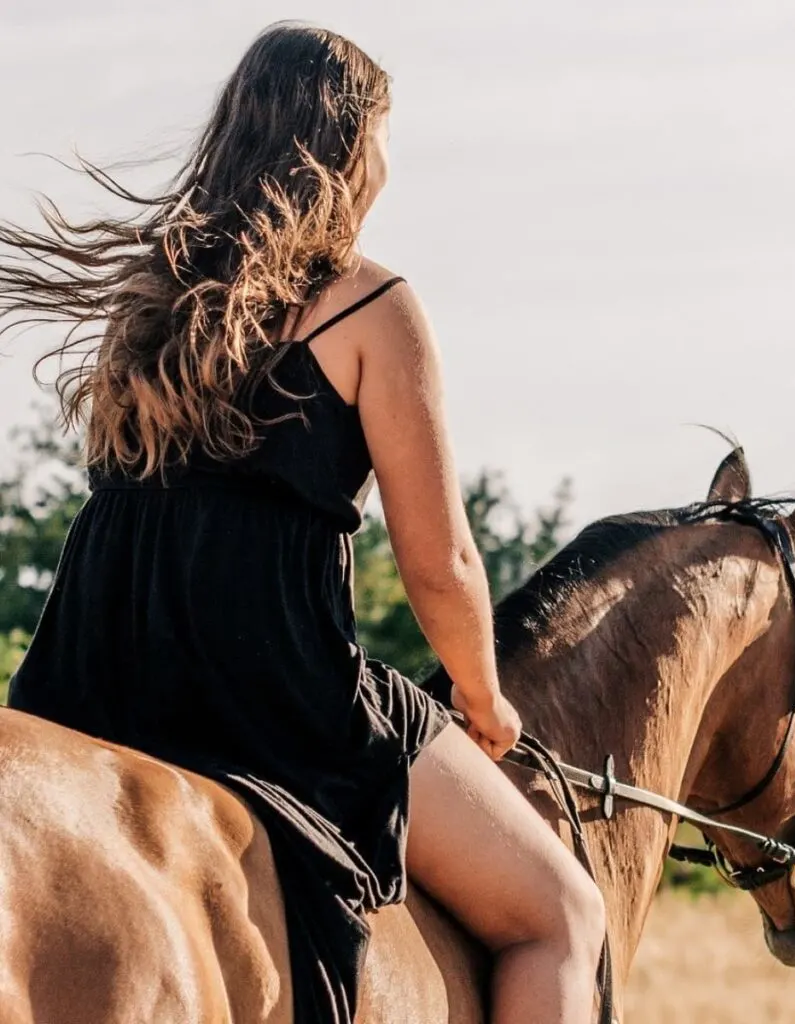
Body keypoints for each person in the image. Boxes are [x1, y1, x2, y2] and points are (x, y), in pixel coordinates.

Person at [0, 21, 606, 1024]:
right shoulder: (367, 305)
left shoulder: (153, 298)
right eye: (378, 139)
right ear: (347, 147)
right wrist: (484, 695)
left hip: (97, 673)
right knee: (560, 914)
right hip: (273, 690)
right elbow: (444, 564)